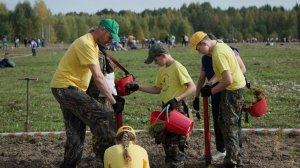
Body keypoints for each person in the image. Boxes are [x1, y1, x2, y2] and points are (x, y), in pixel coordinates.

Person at [50, 18, 124, 168]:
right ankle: (107, 161)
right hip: (66, 88)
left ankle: (68, 165)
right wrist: (113, 101)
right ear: (102, 29)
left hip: (63, 88)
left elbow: (100, 76)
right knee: (104, 116)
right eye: (110, 37)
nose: (111, 41)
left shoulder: (93, 45)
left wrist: (113, 95)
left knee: (76, 133)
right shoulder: (86, 44)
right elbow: (97, 77)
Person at [126, 43, 196, 168]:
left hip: (178, 109)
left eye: (155, 59)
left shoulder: (177, 67)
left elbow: (192, 87)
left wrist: (176, 99)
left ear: (163, 55)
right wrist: (138, 87)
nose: (155, 62)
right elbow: (157, 89)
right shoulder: (162, 69)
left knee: (176, 145)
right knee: (167, 142)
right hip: (167, 109)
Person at [190, 31, 246, 168]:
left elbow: (227, 80)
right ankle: (234, 158)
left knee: (229, 127)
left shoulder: (218, 53)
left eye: (198, 49)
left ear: (204, 43)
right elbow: (224, 72)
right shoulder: (221, 45)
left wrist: (211, 91)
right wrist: (209, 85)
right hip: (235, 89)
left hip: (233, 91)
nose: (200, 53)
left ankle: (232, 162)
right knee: (225, 123)